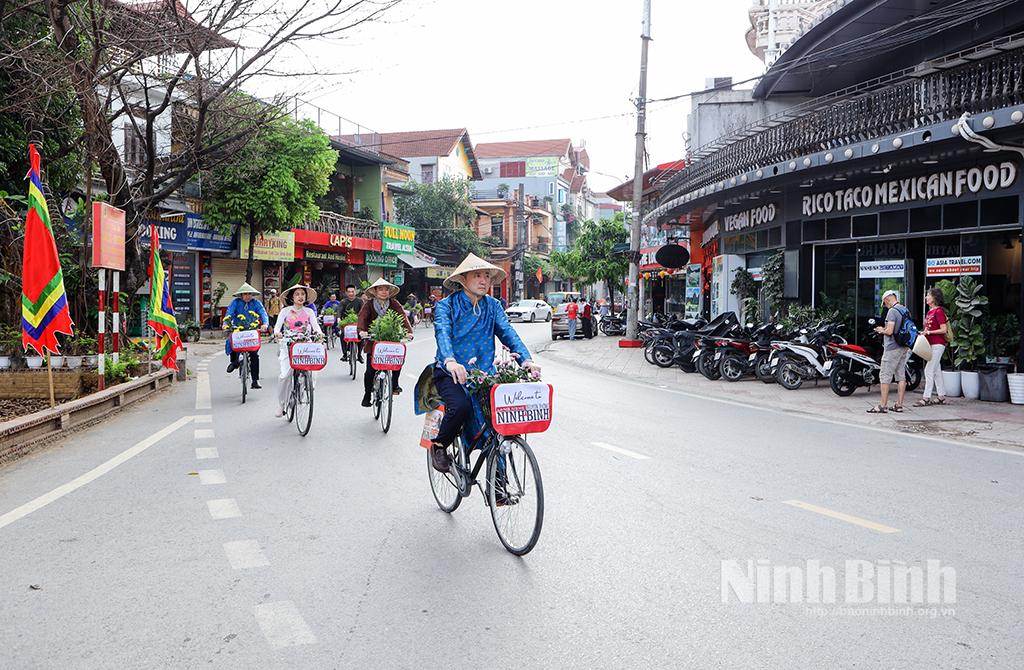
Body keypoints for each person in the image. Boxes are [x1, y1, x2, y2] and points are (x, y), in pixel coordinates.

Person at [426, 254, 540, 473]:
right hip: (450, 373)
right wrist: (450, 361)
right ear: (463, 279)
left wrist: (527, 361)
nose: (483, 280)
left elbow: (508, 333)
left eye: (486, 276)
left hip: (484, 375)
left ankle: (499, 488)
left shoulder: (494, 306)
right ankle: (439, 445)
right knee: (461, 406)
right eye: (477, 275)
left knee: (500, 424)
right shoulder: (446, 306)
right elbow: (442, 333)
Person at [358, 278, 413, 407]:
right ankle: (367, 394)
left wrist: (408, 331)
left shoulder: (394, 304)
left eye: (386, 289)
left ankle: (394, 384)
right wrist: (362, 331)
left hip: (391, 338)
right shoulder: (369, 304)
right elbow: (362, 318)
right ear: (375, 291)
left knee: (398, 360)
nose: (384, 292)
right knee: (370, 371)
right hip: (374, 340)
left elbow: (403, 317)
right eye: (380, 289)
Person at [272, 284, 323, 417]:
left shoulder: (309, 312)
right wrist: (277, 333)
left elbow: (316, 326)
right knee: (285, 375)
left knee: (313, 368)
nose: (300, 297)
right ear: (292, 297)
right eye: (297, 294)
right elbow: (277, 328)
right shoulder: (285, 311)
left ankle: (308, 386)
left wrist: (319, 334)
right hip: (288, 345)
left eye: (302, 294)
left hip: (305, 345)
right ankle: (282, 404)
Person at [869, 289, 911, 414]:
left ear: (887, 299)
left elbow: (890, 331)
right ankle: (899, 405)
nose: (885, 306)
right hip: (904, 347)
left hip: (892, 348)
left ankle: (883, 405)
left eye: (885, 303)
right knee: (900, 376)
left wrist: (881, 330)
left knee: (885, 376)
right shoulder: (905, 309)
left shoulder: (892, 311)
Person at [223, 283, 269, 389]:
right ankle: (234, 363)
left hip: (252, 330)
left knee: (254, 355)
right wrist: (226, 323)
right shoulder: (235, 302)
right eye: (245, 294)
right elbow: (229, 313)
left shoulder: (256, 303)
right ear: (241, 295)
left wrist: (265, 324)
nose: (247, 296)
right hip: (238, 328)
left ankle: (255, 380)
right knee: (232, 342)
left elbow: (263, 314)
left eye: (249, 294)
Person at [916, 287, 949, 407]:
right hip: (931, 344)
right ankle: (941, 396)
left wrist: (929, 333)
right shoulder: (930, 312)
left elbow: (943, 329)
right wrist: (924, 332)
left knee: (928, 370)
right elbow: (929, 328)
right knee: (936, 370)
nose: (926, 297)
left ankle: (926, 397)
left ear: (934, 298)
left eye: (928, 295)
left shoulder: (939, 311)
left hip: (938, 344)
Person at [337, 285, 364, 363]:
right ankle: (345, 354)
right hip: (346, 324)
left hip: (357, 323)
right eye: (349, 292)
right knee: (342, 335)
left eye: (352, 291)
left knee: (361, 336)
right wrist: (339, 319)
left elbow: (363, 312)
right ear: (346, 293)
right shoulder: (343, 302)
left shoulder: (360, 301)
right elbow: (339, 311)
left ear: (355, 292)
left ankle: (359, 355)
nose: (351, 293)